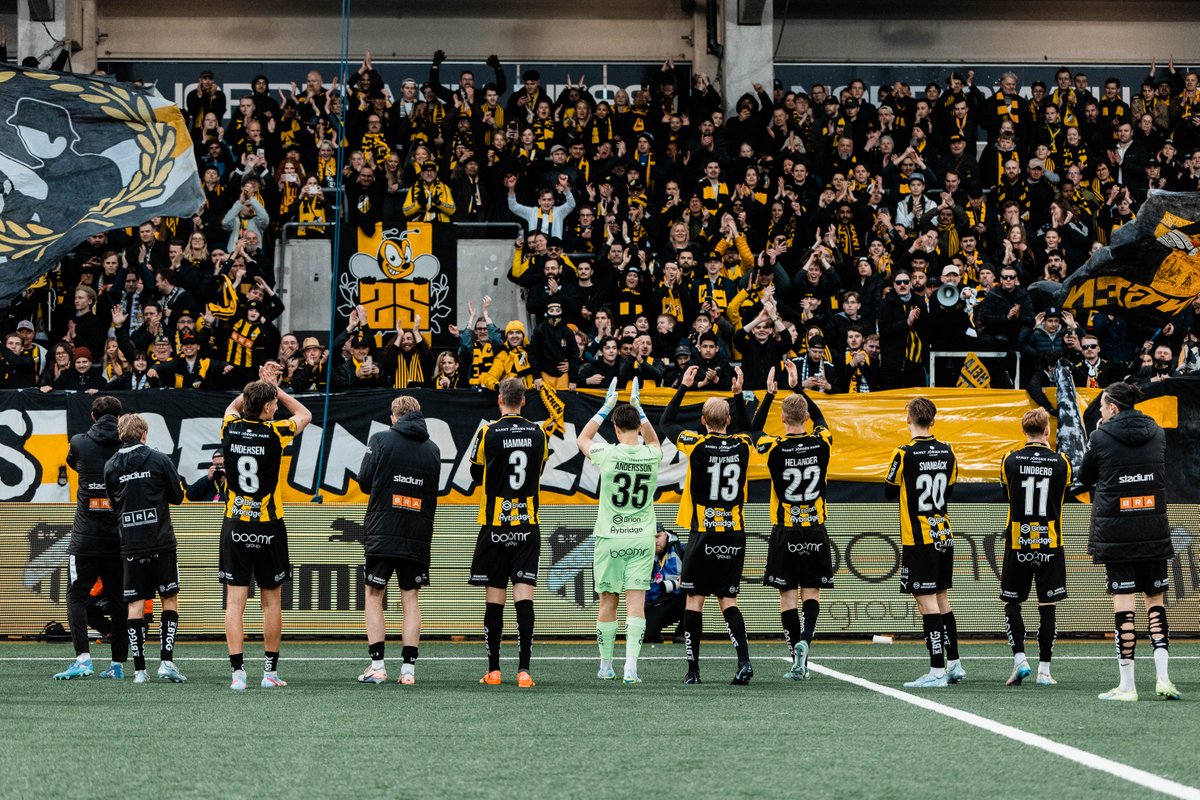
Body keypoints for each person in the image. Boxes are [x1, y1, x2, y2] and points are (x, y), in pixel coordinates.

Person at [1078, 382, 1179, 701]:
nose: (1103, 410)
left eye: (1104, 406)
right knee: (1156, 604)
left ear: (1114, 408)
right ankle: (1164, 679)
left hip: (1117, 534)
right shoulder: (1158, 432)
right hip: (1153, 528)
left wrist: (1097, 436)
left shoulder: (1101, 435)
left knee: (1124, 609)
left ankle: (1127, 686)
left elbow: (1085, 475)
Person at [659, 364, 755, 685]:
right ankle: (743, 662)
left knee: (694, 600)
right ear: (728, 421)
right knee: (728, 600)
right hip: (734, 533)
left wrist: (684, 387)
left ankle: (693, 670)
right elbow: (748, 430)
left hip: (703, 533)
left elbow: (667, 421)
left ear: (702, 422)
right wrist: (738, 396)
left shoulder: (696, 444)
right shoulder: (742, 444)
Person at [219, 370, 313, 691]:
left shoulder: (229, 427)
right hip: (269, 526)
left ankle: (237, 674)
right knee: (271, 602)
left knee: (235, 602)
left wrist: (255, 391)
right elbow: (305, 414)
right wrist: (277, 389)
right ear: (270, 408)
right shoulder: (276, 431)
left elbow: (233, 408)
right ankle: (270, 674)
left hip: (236, 523)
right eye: (273, 403)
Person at [576, 378, 662, 684]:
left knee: (608, 601)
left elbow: (582, 439)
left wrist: (605, 406)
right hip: (642, 537)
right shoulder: (651, 455)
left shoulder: (607, 454)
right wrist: (640, 408)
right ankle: (631, 668)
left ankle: (606, 666)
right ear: (637, 426)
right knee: (636, 604)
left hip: (610, 537)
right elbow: (654, 442)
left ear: (614, 428)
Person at [468, 376, 552, 688]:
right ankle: (524, 671)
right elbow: (539, 469)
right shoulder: (538, 432)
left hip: (494, 525)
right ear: (524, 400)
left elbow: (476, 472)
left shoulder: (487, 431)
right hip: (527, 525)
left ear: (500, 400)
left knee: (495, 598)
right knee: (524, 595)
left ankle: (493, 670)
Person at [749, 365, 833, 681]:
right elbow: (821, 421)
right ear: (806, 418)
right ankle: (805, 645)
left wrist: (771, 394)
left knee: (787, 594)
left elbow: (754, 430)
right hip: (815, 526)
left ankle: (794, 660)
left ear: (783, 419)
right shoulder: (822, 441)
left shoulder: (774, 446)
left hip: (786, 528)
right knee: (811, 591)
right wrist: (800, 389)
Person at [355, 395, 441, 685]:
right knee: (411, 598)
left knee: (373, 595)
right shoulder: (433, 449)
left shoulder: (380, 439)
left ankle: (377, 667)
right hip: (416, 533)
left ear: (394, 417)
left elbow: (364, 480)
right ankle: (408, 671)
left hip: (383, 530)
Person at [884, 397, 962, 688]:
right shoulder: (948, 451)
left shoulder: (903, 453)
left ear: (908, 419)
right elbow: (950, 490)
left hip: (919, 539)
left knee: (927, 602)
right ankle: (954, 663)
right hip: (943, 533)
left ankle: (937, 670)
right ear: (933, 420)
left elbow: (889, 491)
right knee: (942, 599)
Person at [103, 413, 186, 684]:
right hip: (161, 541)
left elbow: (115, 505)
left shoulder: (111, 465)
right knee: (169, 600)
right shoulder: (159, 459)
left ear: (120, 435)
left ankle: (139, 671)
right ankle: (167, 662)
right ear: (144, 434)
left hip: (130, 544)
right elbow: (177, 497)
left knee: (135, 606)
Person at [54, 396, 128, 680]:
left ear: (94, 416)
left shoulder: (79, 442)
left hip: (85, 536)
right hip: (118, 536)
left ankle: (83, 659)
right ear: (119, 417)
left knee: (76, 596)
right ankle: (118, 665)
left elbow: (74, 464)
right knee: (119, 600)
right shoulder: (127, 446)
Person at [999, 408, 1071, 687]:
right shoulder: (1062, 461)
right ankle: (1045, 670)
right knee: (1047, 606)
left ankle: (1020, 661)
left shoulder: (1009, 459)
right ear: (1047, 431)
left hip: (1019, 541)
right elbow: (1063, 493)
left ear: (1023, 430)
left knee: (1012, 602)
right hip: (1050, 542)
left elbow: (1008, 493)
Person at [644, 526, 684, 644]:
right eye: (651, 538)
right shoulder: (644, 555)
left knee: (693, 594)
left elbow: (699, 563)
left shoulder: (680, 549)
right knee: (647, 637)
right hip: (656, 603)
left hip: (677, 599)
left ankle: (682, 633)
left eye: (658, 536)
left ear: (665, 535)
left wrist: (687, 576)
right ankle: (654, 633)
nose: (655, 541)